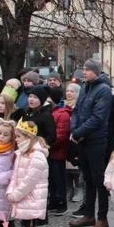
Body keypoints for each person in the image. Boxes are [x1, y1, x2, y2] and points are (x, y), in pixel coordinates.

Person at [68, 60, 113, 227]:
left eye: (86, 70)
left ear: (95, 71)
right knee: (87, 179)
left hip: (96, 140)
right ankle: (89, 214)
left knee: (98, 179)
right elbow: (77, 111)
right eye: (83, 69)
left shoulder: (103, 90)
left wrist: (79, 133)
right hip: (82, 139)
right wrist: (75, 131)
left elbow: (98, 117)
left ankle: (102, 218)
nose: (83, 73)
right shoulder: (86, 87)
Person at [8, 118, 51, 227]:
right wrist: (11, 190)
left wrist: (16, 195)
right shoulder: (21, 153)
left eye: (18, 136)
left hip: (32, 197)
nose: (16, 139)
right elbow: (16, 175)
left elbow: (29, 182)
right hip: (24, 197)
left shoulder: (37, 156)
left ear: (29, 137)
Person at [48, 87, 71, 215]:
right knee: (51, 178)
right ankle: (53, 201)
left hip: (58, 151)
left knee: (59, 177)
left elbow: (61, 134)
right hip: (51, 151)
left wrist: (48, 143)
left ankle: (61, 202)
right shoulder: (53, 111)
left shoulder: (62, 113)